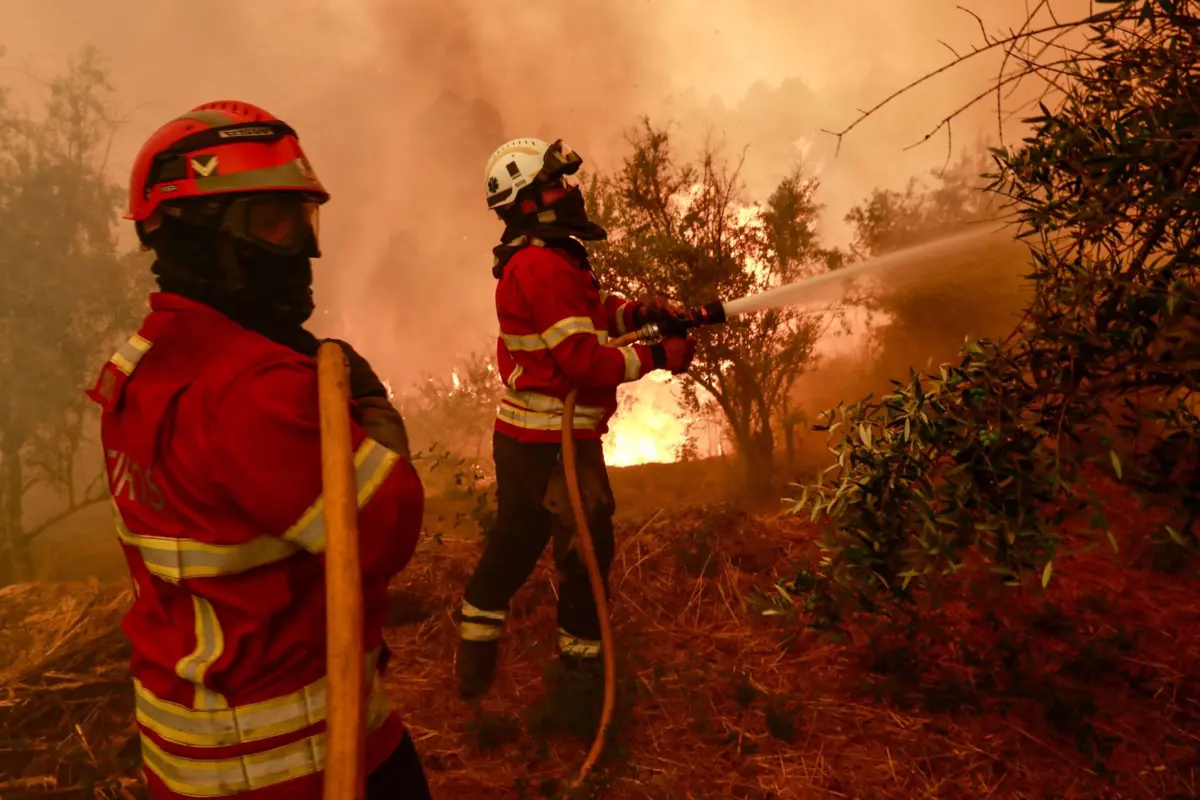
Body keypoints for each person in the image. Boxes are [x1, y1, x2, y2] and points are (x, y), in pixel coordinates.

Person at [86, 100, 432, 799]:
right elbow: (387, 528)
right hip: (300, 762)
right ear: (200, 237)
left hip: (187, 757)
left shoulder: (140, 368)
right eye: (277, 221)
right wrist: (370, 408)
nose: (304, 248)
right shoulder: (253, 390)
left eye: (306, 220)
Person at [456, 137, 696, 698]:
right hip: (549, 443)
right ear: (526, 202)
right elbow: (583, 361)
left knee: (519, 542)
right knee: (585, 550)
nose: (567, 192)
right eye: (554, 185)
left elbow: (589, 312)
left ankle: (477, 649)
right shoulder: (539, 265)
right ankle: (583, 678)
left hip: (536, 437)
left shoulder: (551, 256)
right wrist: (660, 355)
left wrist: (639, 313)